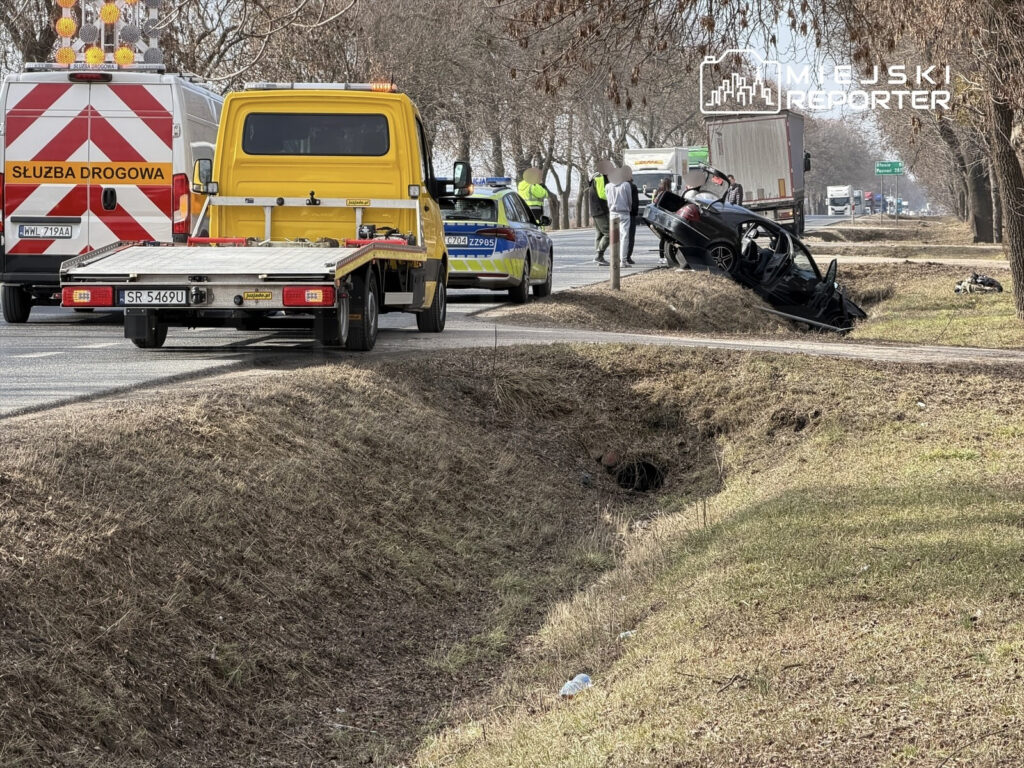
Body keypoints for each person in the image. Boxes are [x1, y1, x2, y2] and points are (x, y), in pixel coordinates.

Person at [605, 166, 633, 268]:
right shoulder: (626, 185)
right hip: (624, 212)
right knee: (624, 237)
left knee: (614, 237)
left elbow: (608, 201)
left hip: (613, 213)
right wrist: (629, 208)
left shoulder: (608, 186)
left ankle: (614, 259)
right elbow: (629, 200)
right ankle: (623, 261)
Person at [589, 159, 613, 265]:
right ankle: (599, 255)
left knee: (599, 234)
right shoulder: (600, 177)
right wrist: (613, 197)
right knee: (609, 233)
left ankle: (599, 257)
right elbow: (602, 194)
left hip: (595, 209)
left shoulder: (595, 176)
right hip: (600, 209)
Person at [625, 176, 639, 265]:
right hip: (630, 214)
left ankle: (621, 255)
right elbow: (635, 201)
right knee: (630, 236)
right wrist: (635, 212)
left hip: (617, 213)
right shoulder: (632, 186)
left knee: (622, 236)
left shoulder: (616, 185)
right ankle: (627, 256)